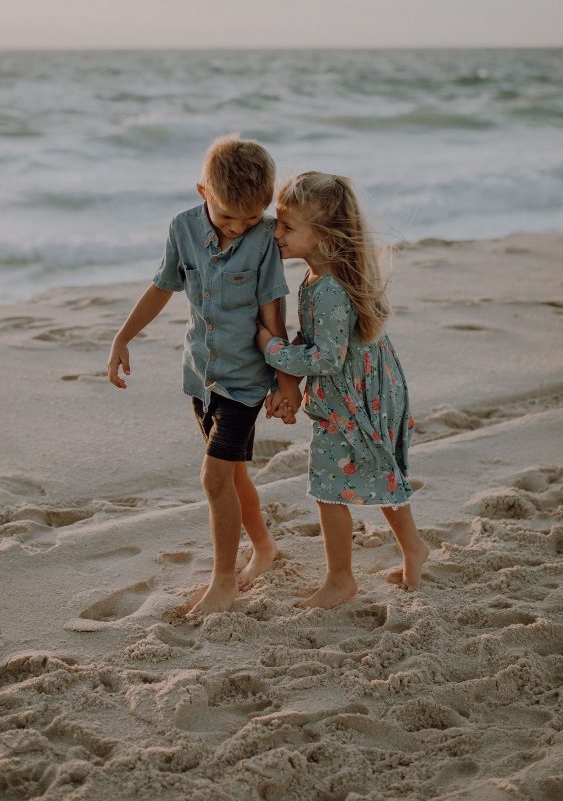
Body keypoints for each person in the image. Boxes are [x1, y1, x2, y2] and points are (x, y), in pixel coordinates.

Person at [107, 135, 302, 615]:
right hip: (201, 375)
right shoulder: (182, 229)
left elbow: (272, 310)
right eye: (228, 217)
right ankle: (264, 549)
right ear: (202, 193)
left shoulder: (263, 240)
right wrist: (122, 336)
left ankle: (222, 582)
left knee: (213, 479)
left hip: (245, 380)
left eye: (252, 218)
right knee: (233, 477)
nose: (239, 227)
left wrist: (284, 382)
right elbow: (162, 287)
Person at [256, 171, 429, 609]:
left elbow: (326, 358)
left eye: (287, 226)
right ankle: (414, 551)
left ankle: (340, 580)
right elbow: (319, 344)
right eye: (278, 222)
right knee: (379, 468)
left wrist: (272, 348)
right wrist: (286, 382)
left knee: (328, 485)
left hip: (354, 398)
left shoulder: (329, 288)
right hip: (363, 389)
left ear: (325, 236)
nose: (276, 233)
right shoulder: (320, 277)